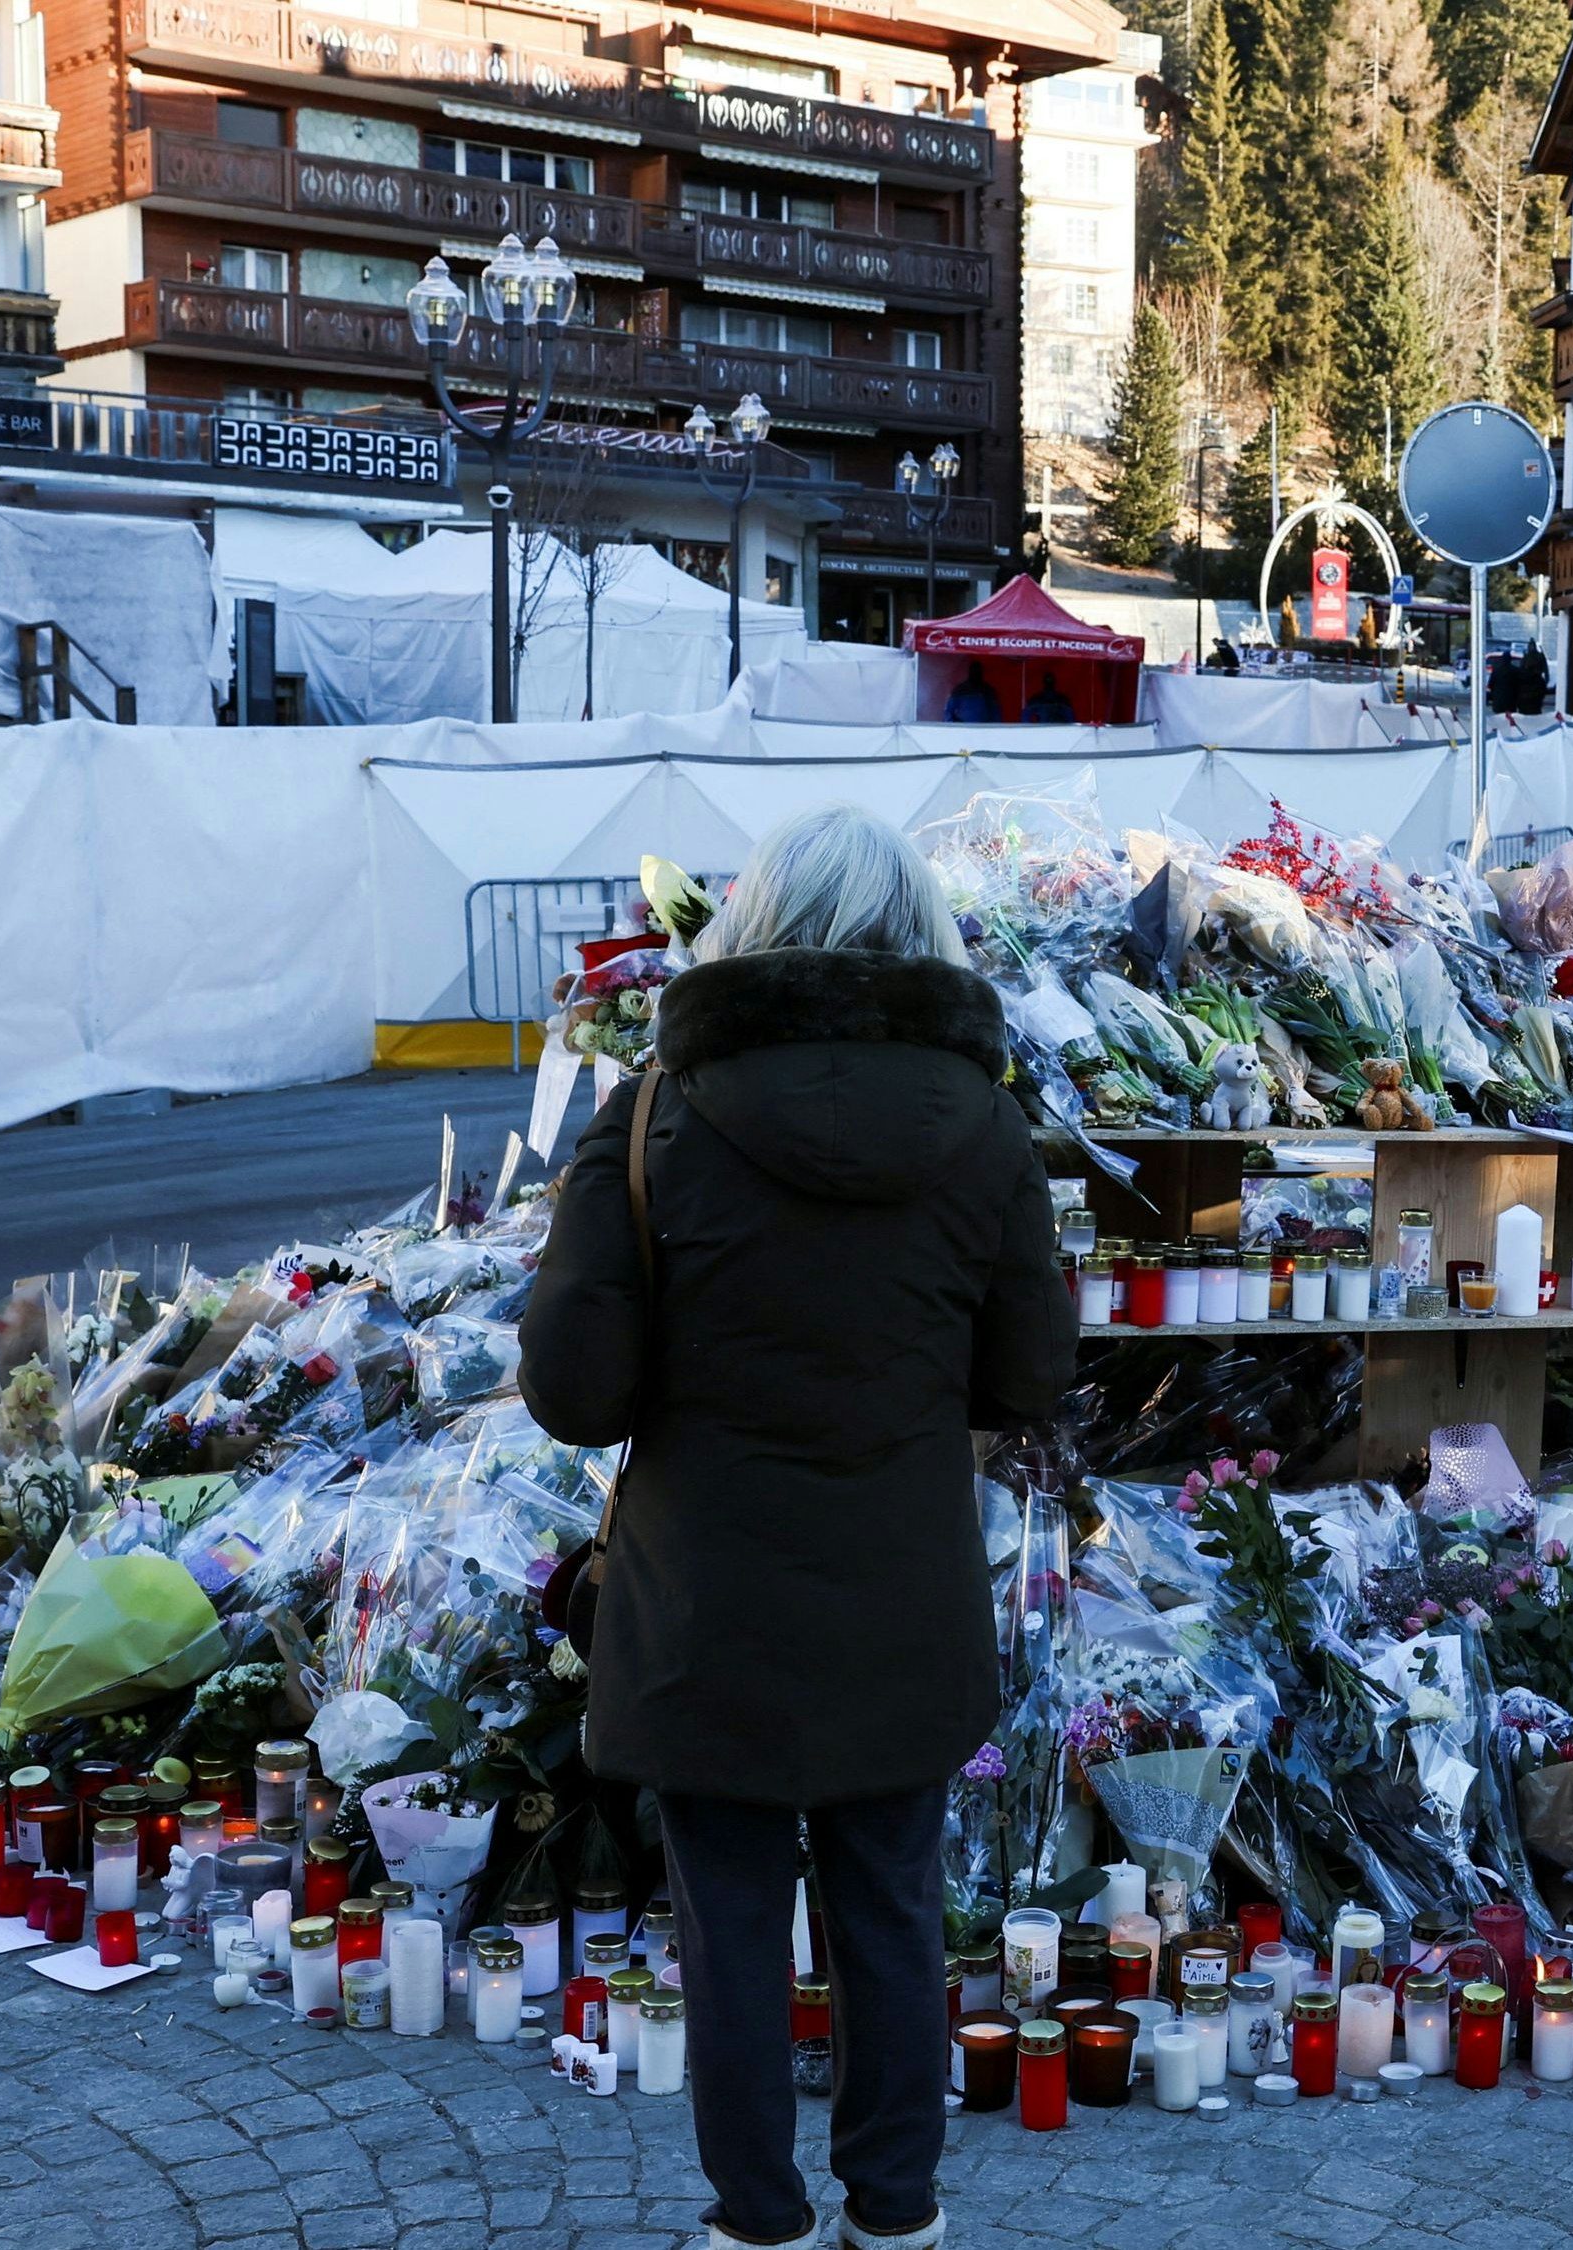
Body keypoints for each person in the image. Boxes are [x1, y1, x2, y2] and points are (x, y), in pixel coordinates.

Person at [520, 807, 1075, 2250]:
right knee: (892, 1912)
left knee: (731, 1929)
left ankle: (755, 2221)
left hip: (706, 1602)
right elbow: (1031, 1379)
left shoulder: (651, 1110)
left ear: (749, 922)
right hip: (903, 1590)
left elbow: (573, 1394)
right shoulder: (986, 1123)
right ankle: (896, 2216)